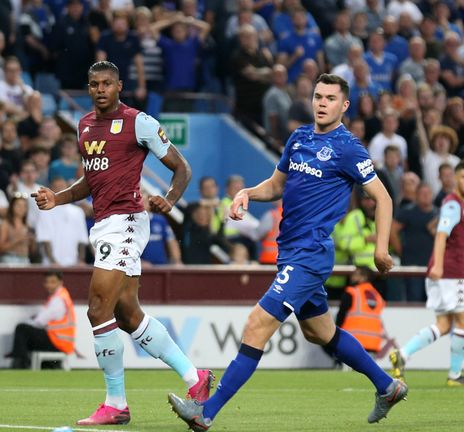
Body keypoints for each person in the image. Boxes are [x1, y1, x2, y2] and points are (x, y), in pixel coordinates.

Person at [167, 74, 407, 431]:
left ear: (344, 106)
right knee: (320, 333)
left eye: (330, 98)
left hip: (310, 253)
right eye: (317, 96)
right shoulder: (298, 138)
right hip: (291, 252)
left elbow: (383, 198)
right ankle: (387, 386)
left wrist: (381, 249)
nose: (321, 103)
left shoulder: (348, 147)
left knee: (257, 324)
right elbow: (277, 185)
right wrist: (246, 192)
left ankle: (206, 412)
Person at [32, 61, 213, 426]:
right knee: (127, 315)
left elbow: (182, 168)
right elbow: (90, 181)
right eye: (94, 84)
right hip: (103, 224)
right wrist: (58, 198)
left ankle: (116, 403)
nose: (100, 89)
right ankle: (197, 380)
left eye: (106, 84)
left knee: (98, 308)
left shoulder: (138, 122)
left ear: (119, 87)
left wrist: (170, 200)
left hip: (127, 221)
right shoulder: (84, 126)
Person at [390, 162, 464, 386]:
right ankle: (454, 375)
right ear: (456, 179)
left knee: (443, 325)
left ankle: (402, 355)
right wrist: (439, 266)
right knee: (462, 322)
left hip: (450, 272)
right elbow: (441, 235)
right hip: (451, 272)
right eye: (462, 177)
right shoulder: (453, 205)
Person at [7, 270, 76, 369]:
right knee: (27, 334)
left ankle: (20, 365)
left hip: (57, 342)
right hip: (61, 342)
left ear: (60, 282)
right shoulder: (62, 296)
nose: (49, 285)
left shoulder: (58, 299)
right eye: (47, 282)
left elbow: (40, 322)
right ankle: (43, 364)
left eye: (53, 282)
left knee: (22, 329)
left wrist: (29, 322)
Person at [337, 266, 386, 354]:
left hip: (352, 342)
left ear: (364, 277)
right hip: (373, 343)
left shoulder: (352, 292)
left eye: (356, 274)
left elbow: (340, 316)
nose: (352, 276)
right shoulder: (377, 296)